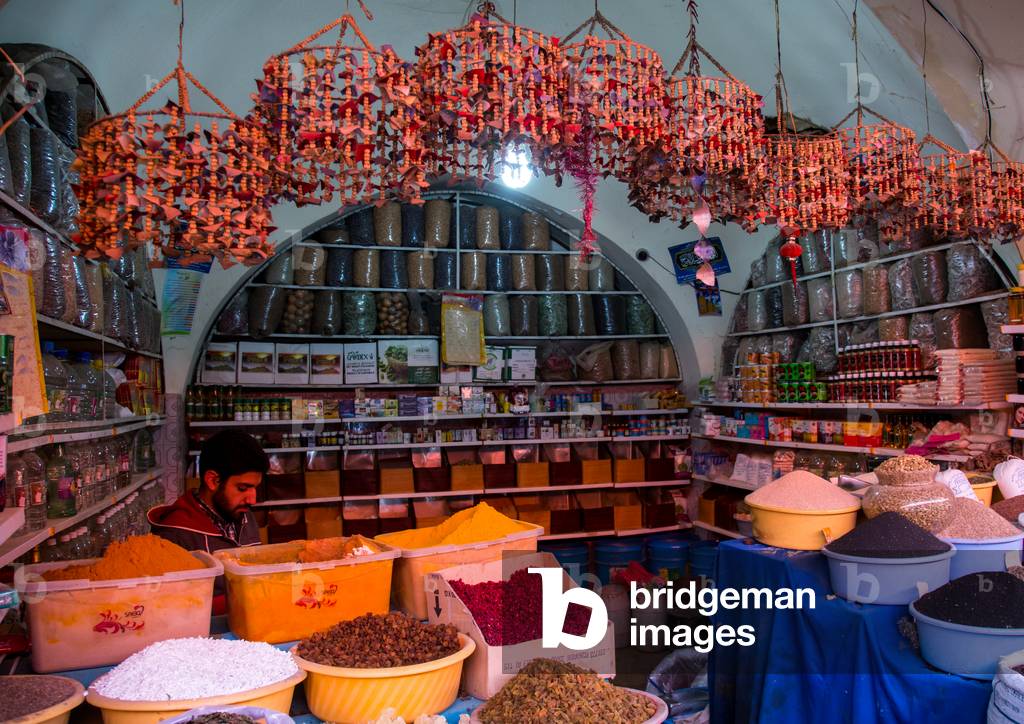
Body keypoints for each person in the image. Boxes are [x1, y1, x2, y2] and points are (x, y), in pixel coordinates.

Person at [149, 430, 267, 612]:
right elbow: (168, 607)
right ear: (213, 481)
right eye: (243, 488)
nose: (253, 499)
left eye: (255, 488)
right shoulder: (174, 535)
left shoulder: (242, 514)